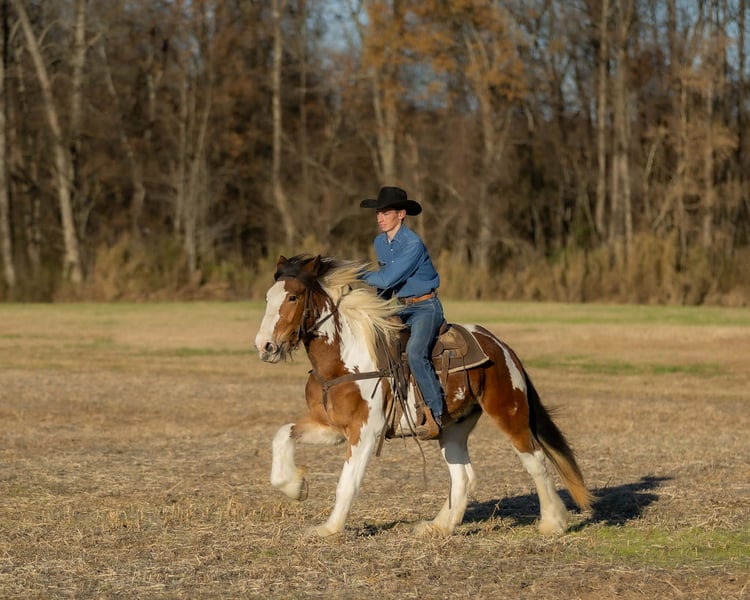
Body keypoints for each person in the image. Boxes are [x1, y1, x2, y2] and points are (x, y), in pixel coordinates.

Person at [359, 185, 445, 440]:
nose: (380, 217)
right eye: (378, 212)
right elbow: (386, 287)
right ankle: (389, 407)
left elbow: (387, 279)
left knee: (416, 353)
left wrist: (354, 273)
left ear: (401, 214)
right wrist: (376, 309)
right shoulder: (380, 242)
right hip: (400, 307)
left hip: (425, 308)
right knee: (377, 347)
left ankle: (437, 415)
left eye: (385, 212)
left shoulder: (412, 244)